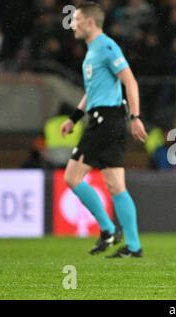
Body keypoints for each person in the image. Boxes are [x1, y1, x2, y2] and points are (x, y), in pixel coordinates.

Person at [60, 2, 148, 258]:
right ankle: (132, 246)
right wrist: (74, 118)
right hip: (104, 120)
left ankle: (108, 229)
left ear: (89, 22)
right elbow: (92, 92)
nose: (73, 24)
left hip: (106, 121)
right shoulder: (92, 51)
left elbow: (130, 80)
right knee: (116, 186)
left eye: (76, 20)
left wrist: (136, 117)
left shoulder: (107, 47)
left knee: (72, 177)